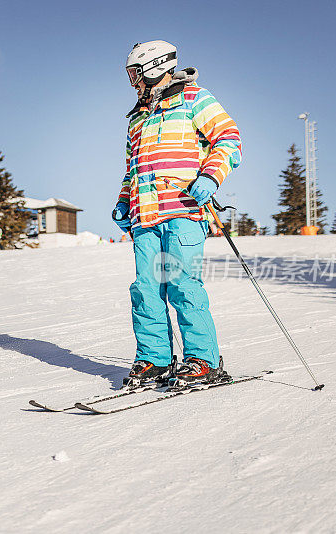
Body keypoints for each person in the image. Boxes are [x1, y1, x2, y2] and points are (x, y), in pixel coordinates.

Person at [113, 40, 242, 386]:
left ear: (154, 67)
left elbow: (229, 139)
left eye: (134, 74)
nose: (132, 82)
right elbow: (132, 169)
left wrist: (210, 176)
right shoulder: (137, 118)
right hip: (146, 218)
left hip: (183, 211)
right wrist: (125, 201)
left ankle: (203, 359)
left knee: (183, 284)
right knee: (146, 288)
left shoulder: (194, 99)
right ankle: (154, 359)